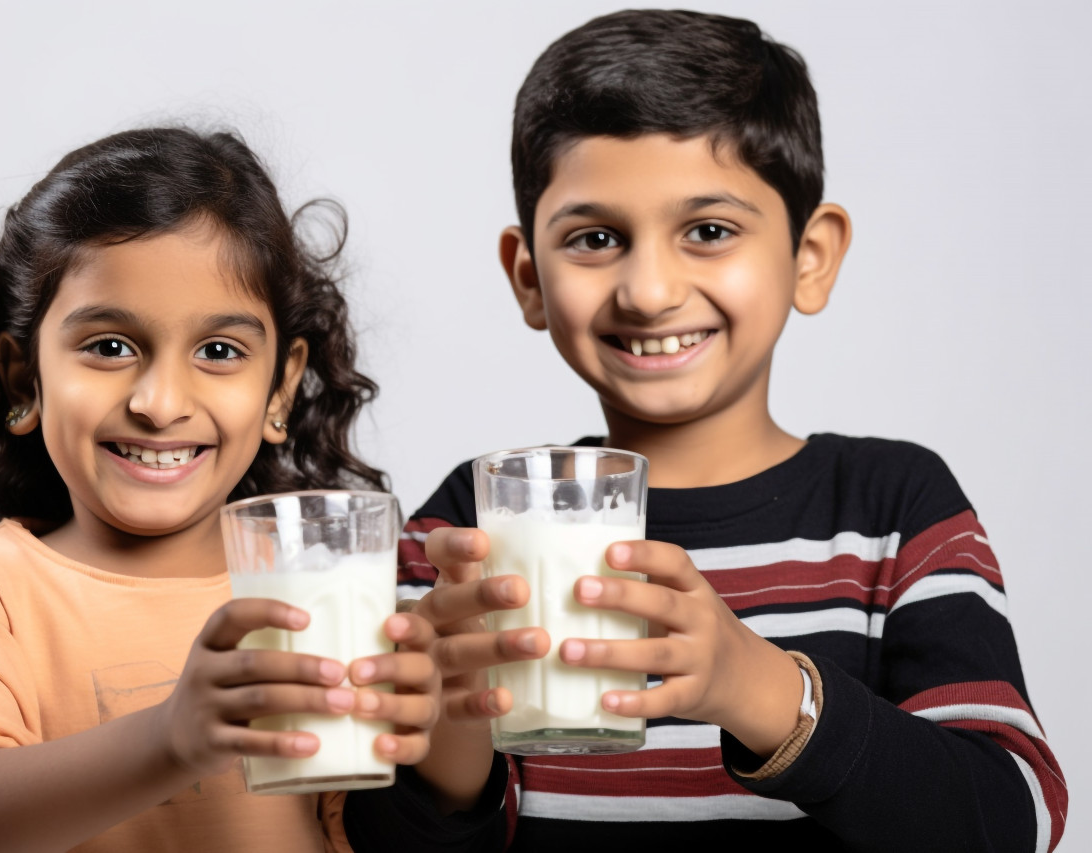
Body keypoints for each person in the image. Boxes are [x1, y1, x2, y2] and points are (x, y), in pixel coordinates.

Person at [342, 9, 1067, 852]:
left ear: (811, 254)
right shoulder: (470, 523)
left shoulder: (893, 506)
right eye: (596, 238)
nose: (648, 290)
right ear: (528, 276)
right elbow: (372, 838)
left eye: (709, 231)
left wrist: (754, 687)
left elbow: (1011, 820)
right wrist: (452, 730)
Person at [0, 126, 440, 853]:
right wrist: (169, 739)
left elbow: (396, 826)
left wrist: (452, 720)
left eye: (219, 351)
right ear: (25, 377)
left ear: (281, 388)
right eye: (110, 346)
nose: (161, 401)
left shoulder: (324, 585)